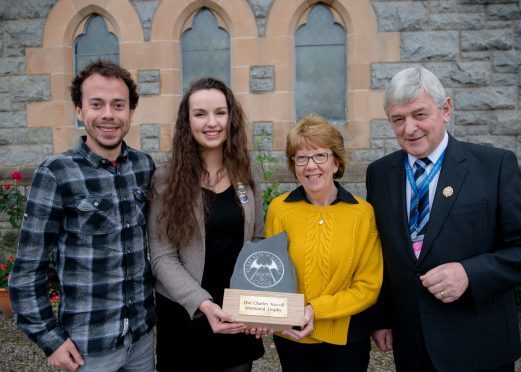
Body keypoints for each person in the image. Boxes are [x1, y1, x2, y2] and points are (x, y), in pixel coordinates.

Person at [366, 66, 521, 371]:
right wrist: (382, 317)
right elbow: (381, 253)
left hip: (479, 345)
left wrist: (470, 273)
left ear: (446, 109)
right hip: (413, 348)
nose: (409, 129)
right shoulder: (380, 173)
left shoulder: (495, 166)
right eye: (398, 119)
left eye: (419, 115)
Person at [8, 60, 156, 371]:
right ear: (79, 110)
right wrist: (49, 338)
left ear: (130, 111)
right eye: (96, 104)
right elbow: (26, 271)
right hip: (88, 349)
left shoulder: (144, 167)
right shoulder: (57, 173)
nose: (108, 114)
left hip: (142, 341)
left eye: (118, 105)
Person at [148, 77, 265, 371]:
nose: (211, 122)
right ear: (188, 122)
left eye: (220, 113)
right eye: (200, 114)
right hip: (185, 313)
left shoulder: (248, 173)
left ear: (231, 117)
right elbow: (162, 257)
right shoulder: (166, 180)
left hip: (236, 314)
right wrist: (203, 303)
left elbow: (258, 240)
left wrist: (258, 304)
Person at [264, 114, 383, 372]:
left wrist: (315, 310)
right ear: (293, 164)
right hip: (293, 336)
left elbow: (368, 286)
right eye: (302, 158)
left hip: (347, 338)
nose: (311, 166)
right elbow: (271, 275)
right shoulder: (279, 210)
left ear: (336, 161)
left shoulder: (362, 214)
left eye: (320, 156)